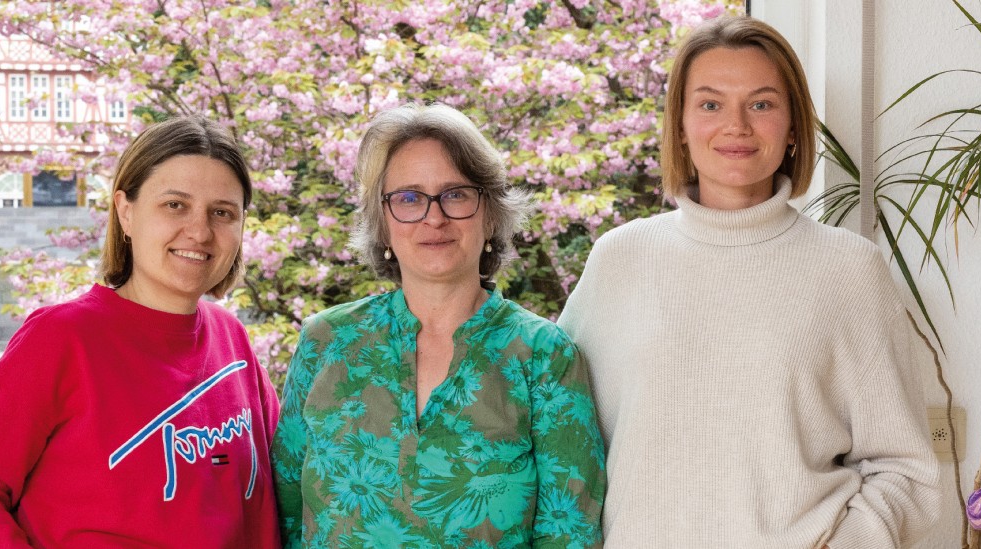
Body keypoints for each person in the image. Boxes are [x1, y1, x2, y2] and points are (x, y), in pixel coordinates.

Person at [557, 15, 941, 549]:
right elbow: (559, 439)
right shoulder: (618, 260)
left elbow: (906, 471)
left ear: (791, 128)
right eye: (710, 104)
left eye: (761, 103)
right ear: (682, 126)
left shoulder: (849, 270)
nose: (735, 125)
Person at [0, 115, 283, 548]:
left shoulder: (233, 342)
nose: (200, 230)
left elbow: (281, 486)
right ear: (126, 211)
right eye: (175, 205)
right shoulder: (60, 340)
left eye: (222, 213)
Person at [271, 103, 606, 548]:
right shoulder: (326, 342)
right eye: (408, 198)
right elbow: (286, 515)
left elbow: (569, 534)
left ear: (490, 213)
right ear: (383, 222)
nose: (434, 217)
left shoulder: (545, 356)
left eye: (456, 193)